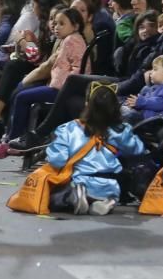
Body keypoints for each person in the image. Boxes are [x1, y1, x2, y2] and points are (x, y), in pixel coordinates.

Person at [0, 7, 87, 159]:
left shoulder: (72, 40)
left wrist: (65, 82)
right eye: (55, 23)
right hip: (56, 85)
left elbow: (78, 68)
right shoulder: (66, 40)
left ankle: (14, 140)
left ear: (75, 26)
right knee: (22, 94)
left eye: (62, 24)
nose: (57, 27)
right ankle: (13, 138)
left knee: (22, 97)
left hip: (61, 89)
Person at [45, 83, 146, 215]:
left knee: (51, 197)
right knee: (116, 180)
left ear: (87, 104)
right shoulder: (121, 130)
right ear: (116, 107)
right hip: (111, 182)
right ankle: (108, 200)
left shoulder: (70, 128)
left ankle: (75, 196)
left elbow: (57, 160)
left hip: (80, 179)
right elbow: (138, 150)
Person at [121, 55, 163, 124]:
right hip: (144, 115)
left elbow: (160, 103)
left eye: (155, 69)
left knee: (128, 115)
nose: (151, 72)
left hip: (151, 121)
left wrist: (141, 102)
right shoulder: (156, 86)